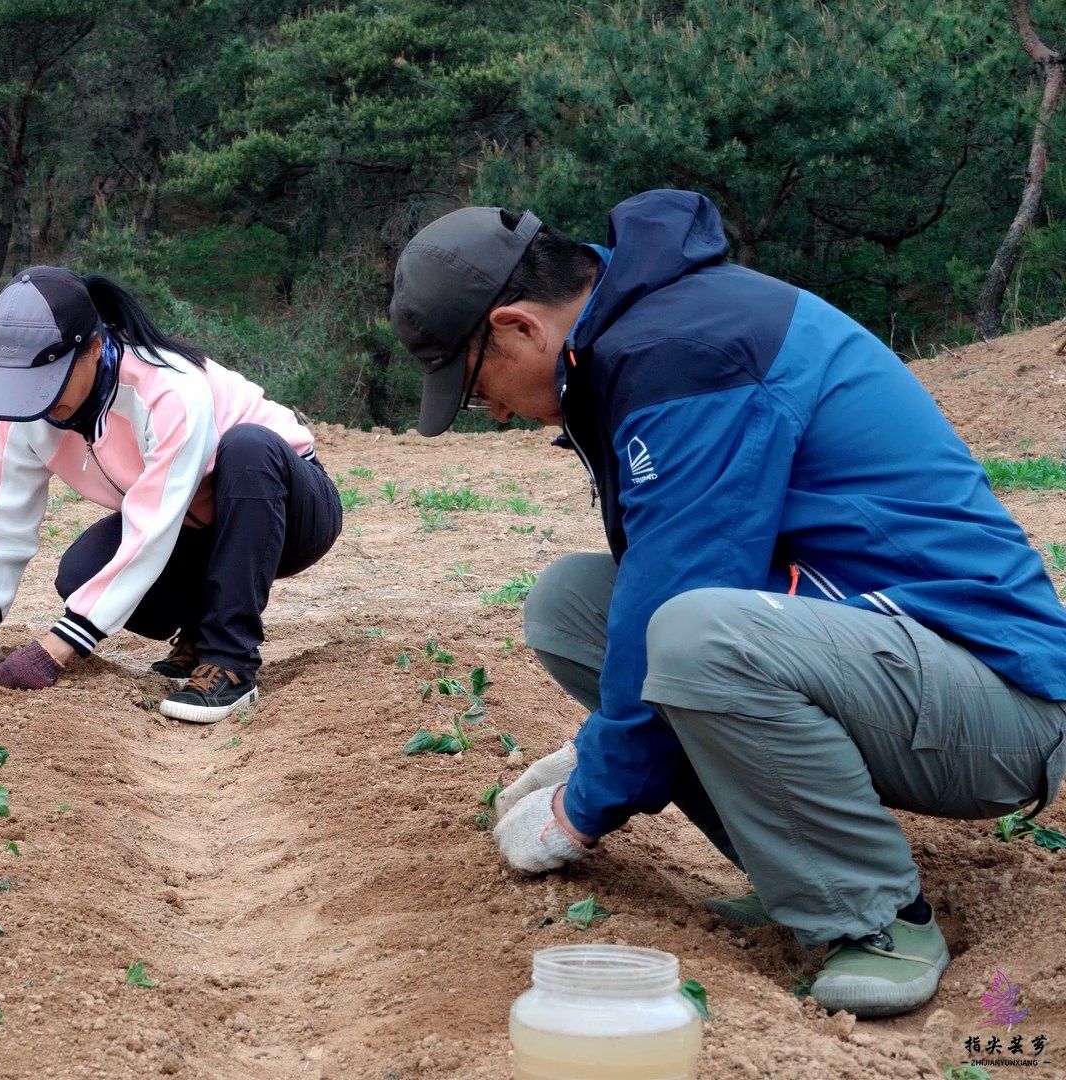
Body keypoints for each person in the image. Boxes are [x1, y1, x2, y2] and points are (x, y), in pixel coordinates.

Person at [388, 190, 1066, 1017]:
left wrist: (580, 807)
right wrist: (595, 749)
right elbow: (656, 595)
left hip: (995, 700)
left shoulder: (689, 352)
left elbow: (690, 598)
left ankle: (877, 918)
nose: (490, 414)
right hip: (876, 651)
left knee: (697, 632)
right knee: (573, 605)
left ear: (519, 328)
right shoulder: (642, 340)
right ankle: (799, 872)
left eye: (474, 388)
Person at [0, 266, 342, 723]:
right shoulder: (25, 414)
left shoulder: (169, 389)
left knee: (247, 447)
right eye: (25, 385)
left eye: (52, 379)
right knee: (82, 572)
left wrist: (55, 650)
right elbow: (2, 526)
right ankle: (198, 630)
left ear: (95, 347)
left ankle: (229, 661)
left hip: (287, 510)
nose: (38, 400)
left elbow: (151, 530)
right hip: (189, 527)